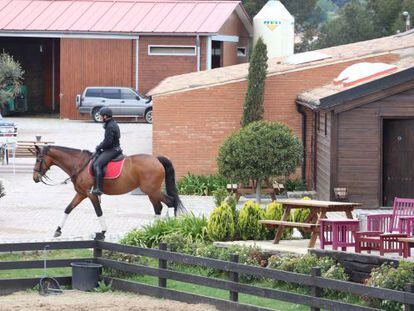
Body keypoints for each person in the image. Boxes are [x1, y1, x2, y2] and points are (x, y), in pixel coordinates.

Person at [91, 107, 122, 196]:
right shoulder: (111, 123)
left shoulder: (110, 126)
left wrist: (99, 147)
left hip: (113, 150)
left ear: (105, 116)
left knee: (97, 164)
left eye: (101, 116)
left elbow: (108, 141)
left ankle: (99, 189)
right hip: (112, 148)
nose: (100, 117)